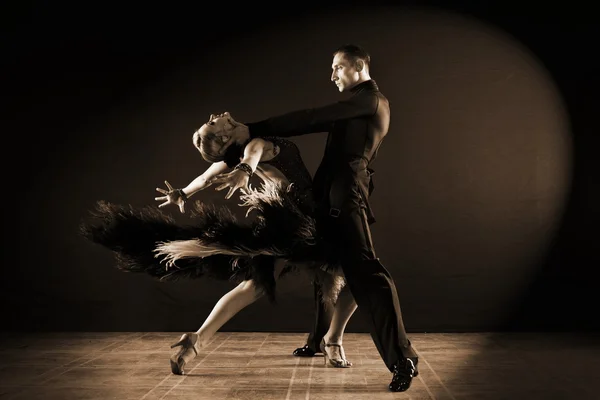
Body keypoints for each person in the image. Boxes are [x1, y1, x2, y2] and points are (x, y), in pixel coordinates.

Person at [80, 112, 356, 376]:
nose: (216, 115)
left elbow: (204, 178)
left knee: (256, 285)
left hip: (284, 223)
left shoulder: (238, 150)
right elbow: (253, 154)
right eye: (213, 122)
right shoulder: (253, 146)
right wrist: (246, 170)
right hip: (301, 222)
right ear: (226, 137)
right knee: (358, 273)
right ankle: (333, 340)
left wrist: (183, 192)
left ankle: (196, 341)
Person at [217, 44, 419, 392]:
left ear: (358, 66)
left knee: (368, 274)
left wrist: (253, 128)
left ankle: (404, 360)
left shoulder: (370, 100)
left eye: (338, 68)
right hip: (330, 199)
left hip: (346, 198)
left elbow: (311, 118)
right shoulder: (358, 103)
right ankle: (318, 341)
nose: (332, 75)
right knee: (323, 266)